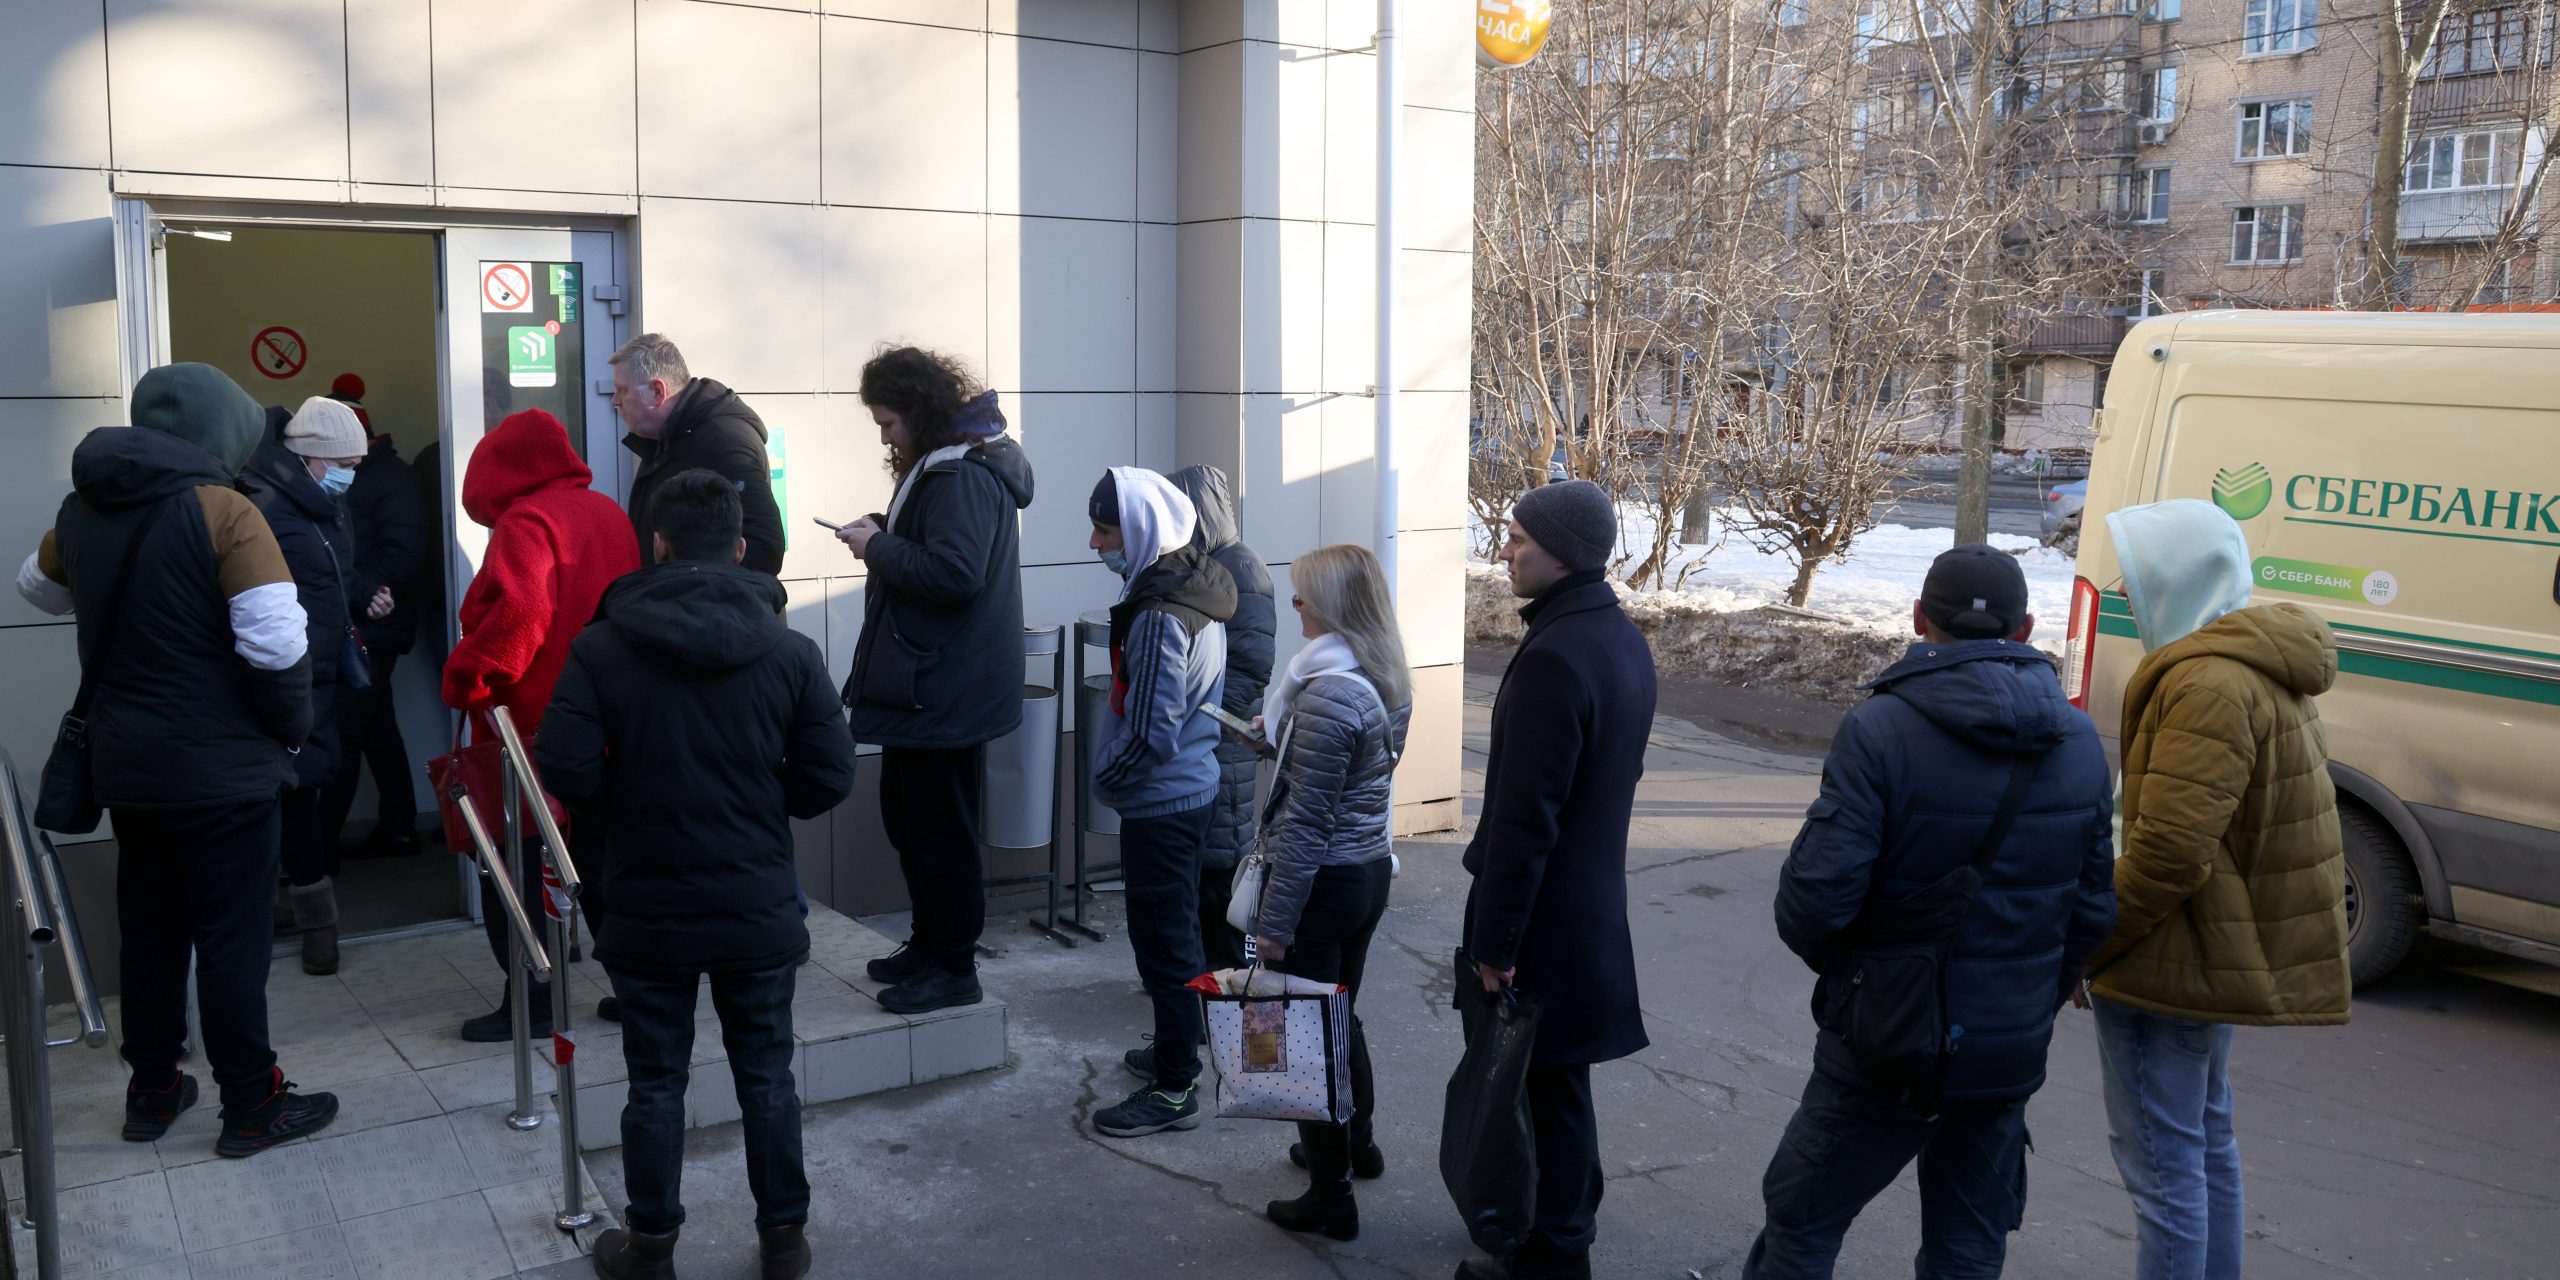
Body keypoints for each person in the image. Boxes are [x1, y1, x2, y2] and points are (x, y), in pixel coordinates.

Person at [1742, 544, 2117, 1279]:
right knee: (1969, 1246)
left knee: (1803, 1222)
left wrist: (1861, 973)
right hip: (2006, 1047)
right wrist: (2039, 987)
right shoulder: (2077, 740)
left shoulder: (1881, 729)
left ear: (1918, 619)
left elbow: (1816, 898)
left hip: (1887, 1039)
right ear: (2026, 627)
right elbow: (2094, 904)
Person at [537, 469, 855, 1280]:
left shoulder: (602, 646)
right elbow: (829, 777)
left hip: (646, 900)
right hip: (755, 900)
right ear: (742, 547)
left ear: (659, 544)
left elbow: (567, 765)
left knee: (655, 1083)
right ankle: (783, 1242)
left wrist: (628, 809)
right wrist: (756, 803)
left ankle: (651, 1249)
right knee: (767, 1075)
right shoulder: (789, 650)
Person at [14, 362, 338, 1157]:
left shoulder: (84, 510)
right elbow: (277, 646)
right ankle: (253, 1103)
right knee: (232, 939)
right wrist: (290, 734)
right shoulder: (226, 511)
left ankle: (153, 1089)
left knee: (151, 929)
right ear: (222, 433)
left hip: (128, 765)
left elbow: (36, 589)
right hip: (223, 773)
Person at [2084, 499, 2348, 1280]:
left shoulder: (2205, 680)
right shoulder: (2256, 663)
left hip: (2172, 959)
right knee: (2205, 1146)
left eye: (2137, 581)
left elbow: (2167, 850)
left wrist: (2090, 946)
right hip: (2209, 948)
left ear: (2180, 577)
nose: (2128, 598)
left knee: (2165, 1170)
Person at [1457, 479, 1652, 1280]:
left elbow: (1523, 820)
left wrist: (1496, 943)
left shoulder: (1557, 654)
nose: (1503, 549)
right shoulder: (1615, 636)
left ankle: (1554, 1252)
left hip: (1542, 921)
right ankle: (1561, 1226)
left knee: (1538, 1089)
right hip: (1585, 910)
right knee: (1556, 1084)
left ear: (1563, 552)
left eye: (1518, 540)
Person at [834, 347, 1033, 1016]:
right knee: (912, 822)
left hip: (943, 686)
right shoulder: (951, 466)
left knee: (939, 833)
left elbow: (954, 573)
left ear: (919, 412)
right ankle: (929, 945)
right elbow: (946, 555)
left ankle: (953, 967)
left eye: (889, 423)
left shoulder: (961, 475)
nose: (885, 437)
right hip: (934, 683)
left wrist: (879, 547)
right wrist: (887, 531)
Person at [443, 408, 643, 1041]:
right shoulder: (607, 512)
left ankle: (530, 999)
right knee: (603, 861)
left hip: (530, 730)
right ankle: (640, 990)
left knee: (521, 865)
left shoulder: (527, 522)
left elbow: (516, 624)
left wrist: (464, 678)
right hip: (606, 721)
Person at [1239, 544, 1409, 1243]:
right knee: (1340, 1017)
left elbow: (1307, 822)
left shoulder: (1330, 693)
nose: (1295, 604)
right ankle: (1352, 1146)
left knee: (1304, 1037)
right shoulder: (1379, 675)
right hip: (1365, 872)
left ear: (1336, 605)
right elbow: (1350, 782)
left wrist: (1273, 925)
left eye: (1305, 594)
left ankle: (1330, 1195)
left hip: (1320, 884)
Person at [1084, 467, 1236, 1139]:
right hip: (1191, 790)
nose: (1095, 542)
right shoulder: (1194, 585)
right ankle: (1177, 1045)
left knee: (1165, 944)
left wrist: (1104, 779)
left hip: (1162, 803)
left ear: (1142, 530)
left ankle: (1175, 1087)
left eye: (1105, 528)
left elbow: (1150, 730)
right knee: (1179, 935)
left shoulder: (1158, 615)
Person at [242, 396, 369, 977]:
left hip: (322, 669)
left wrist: (365, 595)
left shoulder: (327, 504)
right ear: (311, 458)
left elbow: (336, 574)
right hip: (279, 674)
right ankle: (309, 921)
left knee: (306, 791)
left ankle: (308, 915)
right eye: (344, 462)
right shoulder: (263, 505)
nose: (350, 474)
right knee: (282, 796)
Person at [1166, 464, 1274, 973]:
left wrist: (1199, 712)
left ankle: (1224, 991)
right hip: (1209, 736)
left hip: (1223, 740)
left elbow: (1252, 666)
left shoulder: (1241, 567)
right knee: (1198, 875)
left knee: (1219, 873)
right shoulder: (1203, 562)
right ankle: (1196, 981)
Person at [320, 398, 429, 858]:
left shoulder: (391, 479)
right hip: (364, 624)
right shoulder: (366, 477)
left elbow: (403, 557)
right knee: (376, 728)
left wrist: (362, 596)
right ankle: (401, 827)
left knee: (344, 730)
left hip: (375, 625)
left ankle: (319, 849)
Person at [610, 333, 784, 575]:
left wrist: (690, 600)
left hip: (716, 611)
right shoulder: (668, 438)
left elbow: (764, 550)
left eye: (622, 390)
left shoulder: (724, 440)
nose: (615, 401)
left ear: (658, 391)